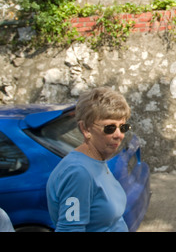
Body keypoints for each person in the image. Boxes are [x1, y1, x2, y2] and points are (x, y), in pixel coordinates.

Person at [46, 86, 132, 232]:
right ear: (86, 129)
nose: (119, 135)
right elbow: (70, 229)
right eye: (109, 128)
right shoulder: (79, 173)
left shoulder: (97, 160)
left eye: (123, 127)